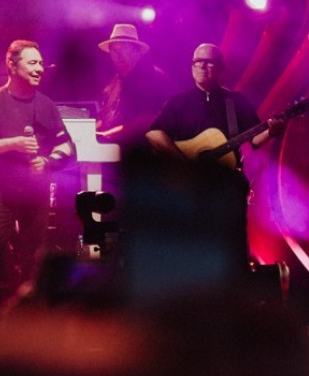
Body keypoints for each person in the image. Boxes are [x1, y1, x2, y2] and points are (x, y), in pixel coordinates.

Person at [143, 42, 283, 270]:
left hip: (226, 181)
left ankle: (235, 282)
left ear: (220, 68)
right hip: (189, 184)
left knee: (232, 236)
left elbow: (255, 140)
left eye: (209, 62)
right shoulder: (179, 102)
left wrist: (273, 130)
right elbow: (153, 134)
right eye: (197, 61)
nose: (201, 66)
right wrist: (182, 160)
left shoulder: (235, 102)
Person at [0, 39, 75, 303]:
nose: (40, 69)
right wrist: (13, 143)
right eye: (32, 62)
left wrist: (48, 162)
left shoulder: (47, 105)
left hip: (33, 192)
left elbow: (68, 147)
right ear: (12, 65)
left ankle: (30, 323)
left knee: (34, 256)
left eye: (41, 63)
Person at [95, 22, 173, 148]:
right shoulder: (112, 84)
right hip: (114, 153)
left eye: (124, 49)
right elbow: (104, 120)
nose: (118, 55)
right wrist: (87, 131)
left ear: (137, 52)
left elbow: (151, 118)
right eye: (114, 50)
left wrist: (109, 133)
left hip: (144, 156)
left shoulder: (154, 77)